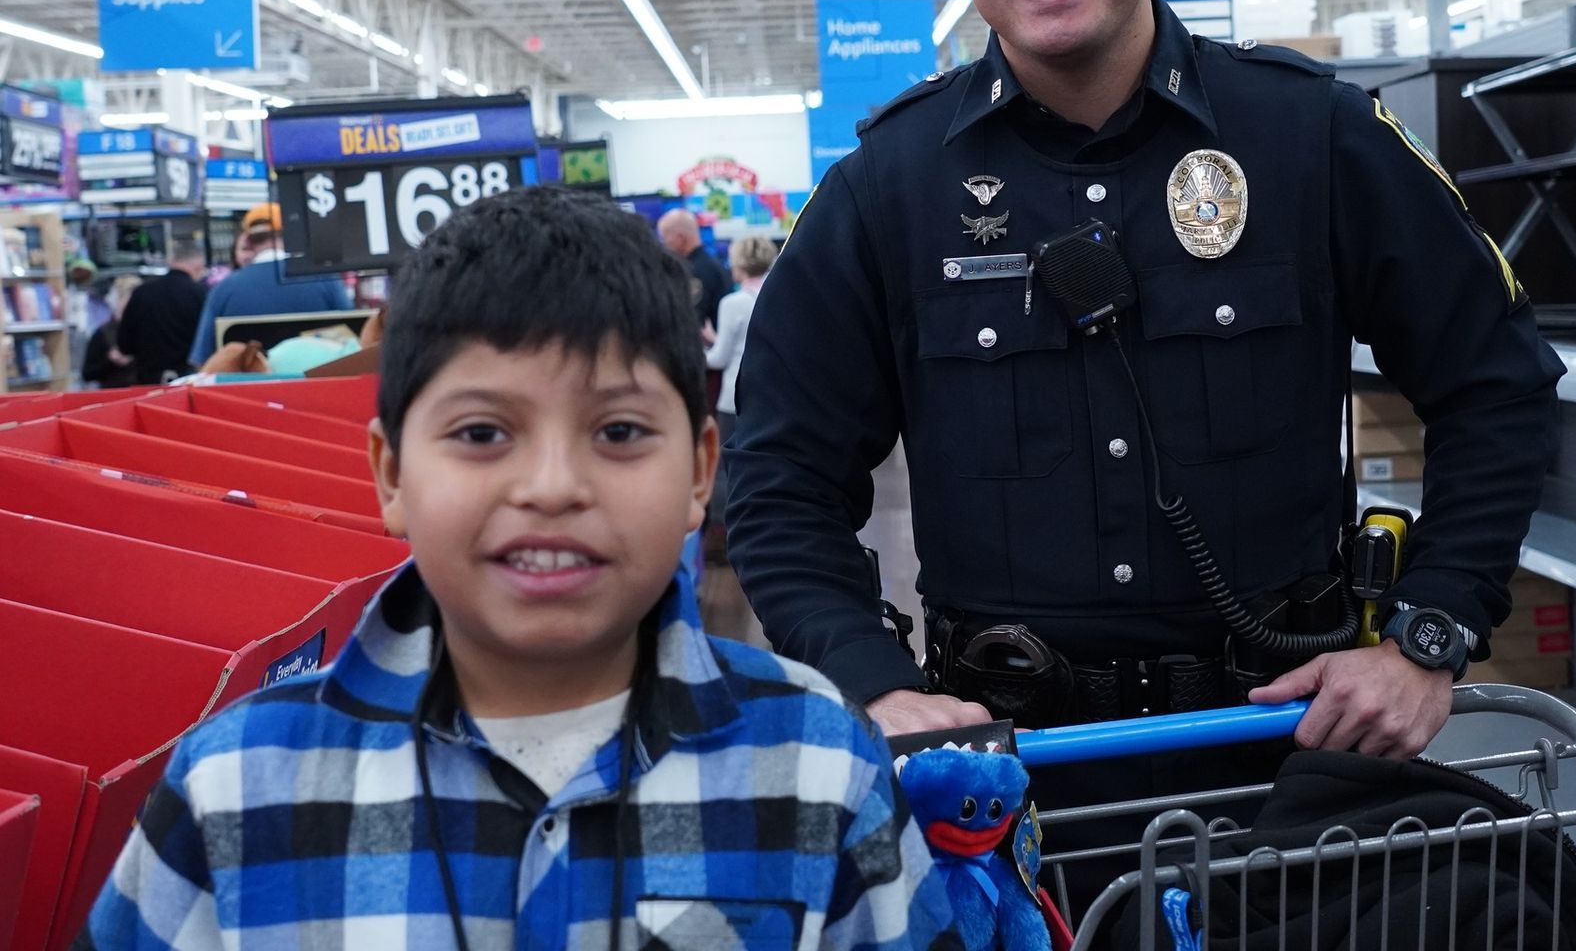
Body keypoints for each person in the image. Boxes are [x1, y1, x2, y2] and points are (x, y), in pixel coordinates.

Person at [725, 0, 1564, 761]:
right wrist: (871, 679)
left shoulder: (1315, 139)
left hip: (1290, 755)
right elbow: (777, 476)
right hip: (1009, 781)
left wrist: (1429, 634)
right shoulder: (886, 190)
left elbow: (1499, 383)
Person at [85, 186, 958, 949]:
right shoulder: (234, 790)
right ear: (391, 474)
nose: (550, 488)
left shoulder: (820, 766)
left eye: (618, 432)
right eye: (481, 434)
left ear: (700, 472)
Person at [188, 202, 352, 367]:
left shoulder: (224, 289)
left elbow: (202, 361)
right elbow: (355, 341)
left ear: (248, 240)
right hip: (319, 387)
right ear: (293, 235)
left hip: (248, 391)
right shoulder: (326, 279)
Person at [703, 235, 776, 528]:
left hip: (733, 399)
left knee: (723, 469)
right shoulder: (778, 293)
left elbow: (720, 359)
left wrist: (698, 351)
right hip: (772, 397)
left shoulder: (732, 303)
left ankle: (724, 534)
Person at [116, 236, 207, 385]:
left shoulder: (141, 292)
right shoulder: (200, 294)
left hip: (147, 382)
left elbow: (125, 345)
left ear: (171, 261)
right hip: (188, 382)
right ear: (199, 266)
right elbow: (207, 344)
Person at [657, 207, 728, 337]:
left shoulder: (694, 272)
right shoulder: (712, 264)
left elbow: (689, 321)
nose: (662, 245)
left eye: (663, 239)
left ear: (680, 239)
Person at [80, 276, 143, 389]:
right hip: (114, 395)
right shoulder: (103, 333)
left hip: (144, 393)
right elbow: (87, 374)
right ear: (118, 300)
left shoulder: (148, 330)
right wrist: (110, 361)